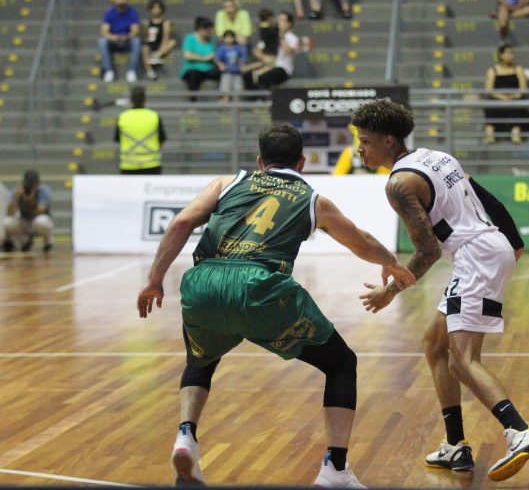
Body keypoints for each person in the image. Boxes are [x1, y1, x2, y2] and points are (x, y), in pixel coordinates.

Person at [137, 123, 415, 488]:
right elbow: (359, 241)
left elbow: (181, 223)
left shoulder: (226, 183)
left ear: (259, 161)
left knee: (201, 358)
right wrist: (391, 263)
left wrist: (154, 280)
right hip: (260, 288)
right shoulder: (313, 199)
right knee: (341, 363)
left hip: (203, 283)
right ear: (301, 162)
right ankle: (335, 469)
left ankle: (186, 435)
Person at [351, 100, 529, 482]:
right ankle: (455, 445)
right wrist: (513, 242)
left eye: (365, 141)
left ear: (389, 140)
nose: (359, 149)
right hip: (487, 249)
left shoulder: (398, 184)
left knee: (463, 361)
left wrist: (390, 290)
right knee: (434, 344)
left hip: (475, 257)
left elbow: (427, 251)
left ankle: (521, 431)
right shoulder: (437, 157)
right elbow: (488, 198)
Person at [483, 43, 529, 144]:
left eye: (512, 53)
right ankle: (490, 135)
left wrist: (513, 96)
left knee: (517, 105)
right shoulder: (492, 70)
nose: (512, 56)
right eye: (509, 53)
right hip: (497, 98)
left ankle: (515, 134)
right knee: (490, 104)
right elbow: (489, 90)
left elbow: (523, 88)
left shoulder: (518, 69)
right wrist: (502, 97)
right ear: (501, 55)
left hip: (514, 98)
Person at [115, 86, 167, 174]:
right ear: (145, 99)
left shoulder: (123, 117)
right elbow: (161, 140)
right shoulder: (154, 116)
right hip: (151, 164)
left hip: (128, 164)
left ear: (131, 99)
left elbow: (118, 140)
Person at [243, 11, 299, 90]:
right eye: (278, 20)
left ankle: (264, 96)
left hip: (283, 68)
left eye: (282, 20)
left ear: (289, 23)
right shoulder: (271, 35)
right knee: (248, 76)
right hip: (269, 65)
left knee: (265, 76)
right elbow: (257, 51)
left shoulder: (292, 38)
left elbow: (289, 51)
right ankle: (254, 96)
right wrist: (264, 57)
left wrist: (282, 37)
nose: (279, 22)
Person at [98, 0, 141, 83]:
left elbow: (135, 30)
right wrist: (112, 37)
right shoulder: (109, 13)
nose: (120, 1)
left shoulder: (132, 13)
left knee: (136, 41)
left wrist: (127, 37)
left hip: (127, 40)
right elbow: (104, 30)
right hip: (113, 41)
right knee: (102, 41)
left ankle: (131, 71)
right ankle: (108, 71)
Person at [2, 170, 54, 253]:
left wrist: (29, 200)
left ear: (38, 183)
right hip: (25, 222)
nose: (30, 187)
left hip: (37, 223)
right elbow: (10, 213)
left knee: (41, 221)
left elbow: (40, 210)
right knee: (7, 222)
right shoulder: (17, 191)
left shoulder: (43, 191)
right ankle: (24, 242)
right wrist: (16, 198)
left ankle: (48, 242)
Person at [180, 16, 220, 101]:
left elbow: (213, 55)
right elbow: (187, 55)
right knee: (193, 75)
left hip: (208, 69)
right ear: (200, 29)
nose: (210, 32)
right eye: (208, 29)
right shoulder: (190, 38)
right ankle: (193, 102)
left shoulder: (210, 41)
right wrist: (205, 58)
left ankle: (224, 100)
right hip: (193, 69)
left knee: (224, 73)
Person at [142, 0, 177, 81]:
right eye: (154, 8)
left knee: (172, 42)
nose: (156, 10)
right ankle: (150, 71)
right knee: (144, 49)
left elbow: (166, 36)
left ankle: (156, 56)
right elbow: (144, 37)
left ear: (162, 10)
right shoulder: (147, 22)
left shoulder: (165, 22)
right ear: (150, 10)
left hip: (160, 45)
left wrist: (161, 49)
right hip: (150, 44)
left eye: (158, 8)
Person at [214, 30, 247, 102]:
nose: (229, 39)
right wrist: (220, 65)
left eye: (231, 37)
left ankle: (237, 106)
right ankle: (225, 107)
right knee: (225, 91)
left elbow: (242, 58)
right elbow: (216, 58)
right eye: (227, 37)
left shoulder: (238, 48)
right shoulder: (222, 48)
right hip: (226, 72)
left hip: (237, 72)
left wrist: (242, 65)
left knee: (238, 91)